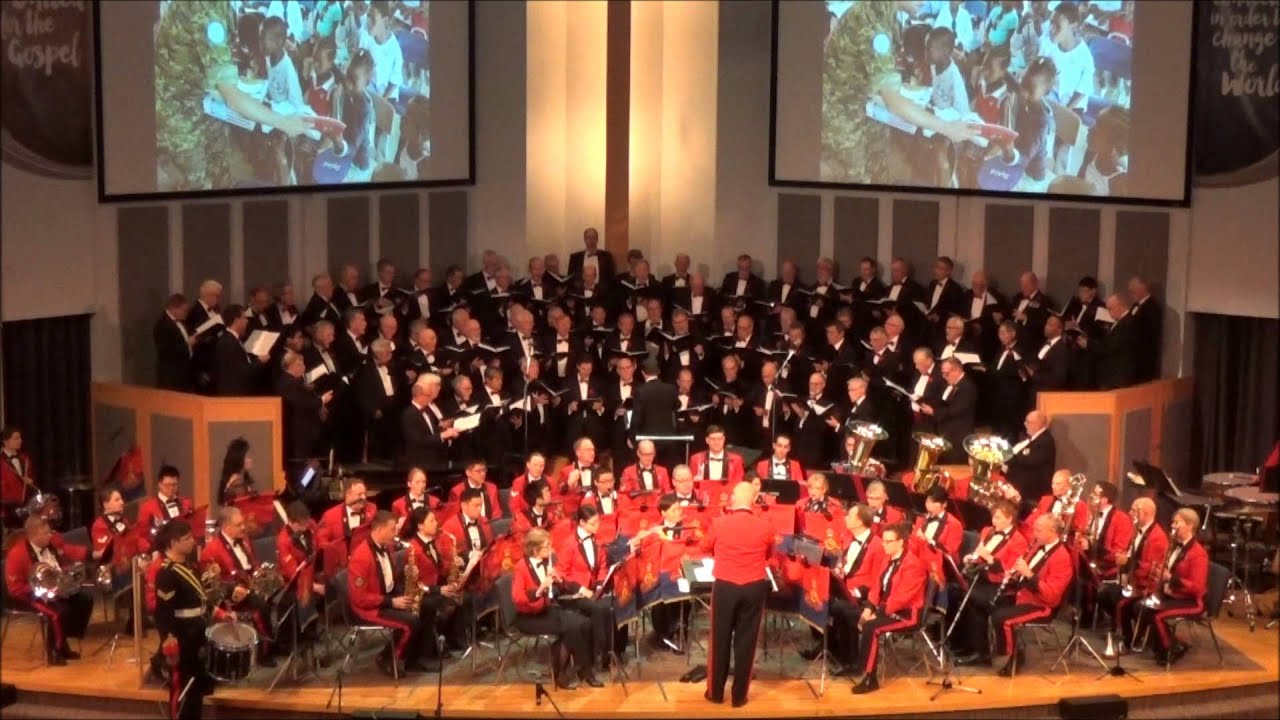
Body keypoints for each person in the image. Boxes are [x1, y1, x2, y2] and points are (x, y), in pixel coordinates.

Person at [153, 0, 313, 192]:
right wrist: (284, 122)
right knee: (197, 181)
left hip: (204, 98)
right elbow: (231, 96)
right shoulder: (206, 10)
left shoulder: (221, 6)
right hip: (177, 107)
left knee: (221, 166)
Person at [700, 481, 775, 708]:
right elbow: (769, 553)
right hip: (754, 586)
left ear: (734, 499)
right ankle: (739, 696)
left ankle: (715, 693)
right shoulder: (765, 525)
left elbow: (705, 547)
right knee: (747, 641)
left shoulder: (720, 523)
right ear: (753, 501)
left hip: (725, 585)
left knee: (719, 639)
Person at [511, 527, 599, 689]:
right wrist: (539, 591)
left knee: (585, 623)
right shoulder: (521, 567)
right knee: (572, 627)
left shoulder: (547, 562)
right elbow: (518, 598)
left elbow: (559, 585)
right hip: (529, 616)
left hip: (546, 610)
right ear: (536, 549)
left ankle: (580, 667)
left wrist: (558, 580)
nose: (551, 549)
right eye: (547, 546)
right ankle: (571, 673)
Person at [153, 519, 223, 720]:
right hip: (181, 635)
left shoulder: (189, 565)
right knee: (181, 686)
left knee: (196, 686)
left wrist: (218, 612)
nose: (193, 541)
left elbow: (198, 596)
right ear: (174, 543)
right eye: (187, 539)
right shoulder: (167, 573)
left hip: (196, 630)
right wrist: (168, 639)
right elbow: (163, 611)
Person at [347, 511, 432, 676]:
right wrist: (391, 602)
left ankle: (413, 659)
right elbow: (360, 598)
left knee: (426, 607)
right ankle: (389, 658)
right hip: (368, 608)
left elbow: (388, 578)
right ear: (379, 530)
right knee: (410, 622)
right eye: (392, 530)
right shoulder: (361, 557)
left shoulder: (387, 547)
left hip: (387, 597)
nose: (396, 534)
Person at [989, 514, 1074, 677]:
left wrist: (1028, 574)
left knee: (1003, 619)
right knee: (989, 605)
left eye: (1038, 530)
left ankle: (1015, 656)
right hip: (1024, 596)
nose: (1034, 534)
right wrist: (1013, 575)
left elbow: (1052, 596)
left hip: (1043, 606)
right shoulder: (1037, 547)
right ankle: (990, 650)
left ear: (1053, 531)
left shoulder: (1062, 557)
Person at [850, 522, 927, 694]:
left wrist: (876, 614)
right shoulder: (887, 559)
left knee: (872, 627)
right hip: (888, 609)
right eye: (883, 541)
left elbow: (901, 599)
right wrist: (868, 608)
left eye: (888, 541)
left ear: (901, 542)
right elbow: (877, 587)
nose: (884, 545)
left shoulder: (913, 565)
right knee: (853, 613)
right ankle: (853, 663)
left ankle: (870, 678)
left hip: (907, 615)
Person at [3, 515, 93, 665]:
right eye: (46, 533)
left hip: (53, 590)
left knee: (85, 601)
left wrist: (67, 578)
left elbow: (65, 555)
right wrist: (41, 589)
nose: (50, 535)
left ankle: (64, 641)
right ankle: (54, 650)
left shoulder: (52, 544)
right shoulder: (17, 554)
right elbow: (15, 588)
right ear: (33, 534)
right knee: (58, 612)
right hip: (29, 595)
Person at [953, 500, 1029, 665]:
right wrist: (972, 558)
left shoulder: (1018, 541)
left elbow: (1010, 569)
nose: (993, 521)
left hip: (1001, 586)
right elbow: (979, 553)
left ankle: (980, 652)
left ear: (1009, 519)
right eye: (993, 517)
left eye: (998, 518)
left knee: (970, 599)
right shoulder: (988, 531)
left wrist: (987, 557)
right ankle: (966, 645)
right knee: (957, 592)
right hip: (983, 578)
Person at [199, 506, 276, 667]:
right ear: (227, 528)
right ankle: (265, 650)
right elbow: (214, 585)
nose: (243, 527)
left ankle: (281, 639)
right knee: (262, 606)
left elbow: (253, 563)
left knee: (283, 592)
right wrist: (237, 588)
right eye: (239, 525)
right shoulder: (211, 550)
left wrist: (262, 575)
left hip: (251, 584)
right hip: (234, 595)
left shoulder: (245, 540)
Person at [1140, 508, 1208, 665]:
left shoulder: (1198, 553)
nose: (1173, 525)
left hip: (1192, 601)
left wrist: (1171, 578)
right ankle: (1163, 645)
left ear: (1190, 525)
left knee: (1158, 615)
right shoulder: (1174, 546)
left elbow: (1197, 587)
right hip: (1174, 594)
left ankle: (1171, 649)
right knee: (1144, 607)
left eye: (1177, 522)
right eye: (1173, 522)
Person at [1003, 411, 1056, 502]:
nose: (1025, 424)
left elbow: (1028, 461)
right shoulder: (1032, 440)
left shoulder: (1045, 441)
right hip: (1020, 491)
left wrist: (1008, 458)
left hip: (1031, 495)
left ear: (1037, 424)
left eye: (1028, 422)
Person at [137, 466, 195, 546]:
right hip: (159, 549)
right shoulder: (147, 507)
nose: (171, 488)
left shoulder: (186, 503)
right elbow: (141, 536)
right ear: (159, 485)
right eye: (167, 485)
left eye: (174, 485)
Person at [155, 293, 196, 391]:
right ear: (174, 308)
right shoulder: (162, 324)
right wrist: (187, 344)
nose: (186, 314)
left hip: (183, 376)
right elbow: (166, 351)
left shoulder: (181, 322)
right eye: (184, 311)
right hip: (172, 378)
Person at [0, 425, 35, 515]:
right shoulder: (1, 462)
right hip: (8, 507)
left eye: (20, 438)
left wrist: (30, 481)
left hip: (27, 506)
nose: (20, 441)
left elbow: (31, 478)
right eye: (16, 438)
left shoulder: (25, 458)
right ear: (5, 441)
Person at [217, 437, 257, 505]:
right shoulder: (237, 484)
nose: (251, 460)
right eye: (248, 457)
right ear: (239, 458)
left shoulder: (239, 479)